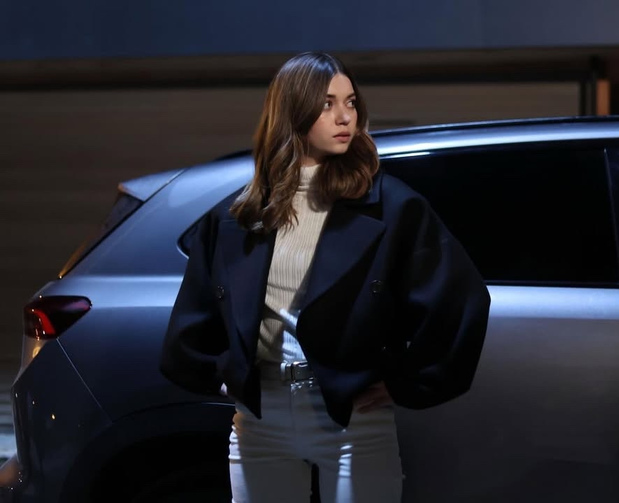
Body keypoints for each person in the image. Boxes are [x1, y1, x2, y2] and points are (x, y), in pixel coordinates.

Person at [159, 51, 490, 503]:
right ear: (292, 112)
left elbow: (460, 300)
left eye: (350, 102)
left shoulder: (393, 206)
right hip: (260, 419)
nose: (344, 117)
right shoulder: (239, 217)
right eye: (326, 104)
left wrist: (407, 381)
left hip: (351, 416)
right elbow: (197, 315)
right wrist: (227, 375)